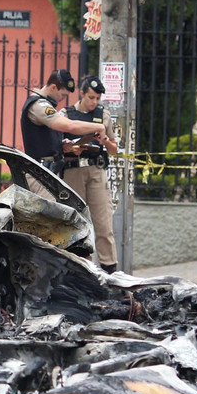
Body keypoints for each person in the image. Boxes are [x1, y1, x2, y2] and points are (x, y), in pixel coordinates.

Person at [61, 76, 118, 273]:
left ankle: (110, 270)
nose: (94, 102)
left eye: (97, 98)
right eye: (91, 97)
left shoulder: (104, 115)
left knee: (103, 222)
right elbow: (59, 144)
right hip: (73, 170)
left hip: (96, 170)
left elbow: (114, 148)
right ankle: (81, 268)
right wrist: (69, 148)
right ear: (82, 93)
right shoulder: (66, 113)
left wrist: (105, 142)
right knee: (76, 221)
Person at [19, 68, 106, 195]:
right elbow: (70, 126)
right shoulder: (39, 105)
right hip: (40, 174)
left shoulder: (45, 105)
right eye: (63, 95)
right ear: (53, 87)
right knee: (48, 214)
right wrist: (99, 127)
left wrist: (63, 145)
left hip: (48, 174)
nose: (62, 99)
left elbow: (46, 138)